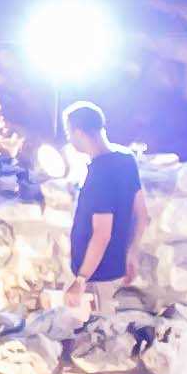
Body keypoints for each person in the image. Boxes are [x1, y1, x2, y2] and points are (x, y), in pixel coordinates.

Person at [52, 103, 142, 288]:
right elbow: (142, 214)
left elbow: (102, 234)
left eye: (69, 133)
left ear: (78, 133)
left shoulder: (100, 175)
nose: (69, 139)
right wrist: (132, 253)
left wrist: (80, 280)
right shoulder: (127, 159)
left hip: (96, 276)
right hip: (117, 268)